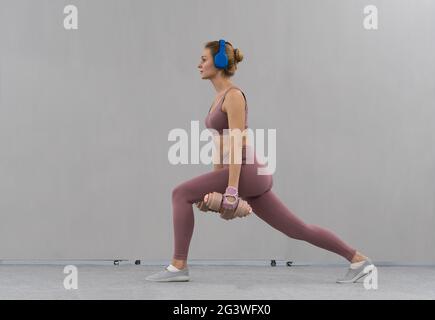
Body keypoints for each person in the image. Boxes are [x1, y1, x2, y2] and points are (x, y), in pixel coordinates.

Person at [146, 39, 374, 283]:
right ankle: (359, 260)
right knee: (296, 229)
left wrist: (231, 189)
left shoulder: (234, 96)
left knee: (179, 194)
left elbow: (235, 143)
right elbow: (220, 145)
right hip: (246, 172)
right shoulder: (218, 98)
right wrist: (215, 190)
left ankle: (178, 265)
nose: (198, 64)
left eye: (203, 59)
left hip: (247, 169)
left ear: (220, 62)